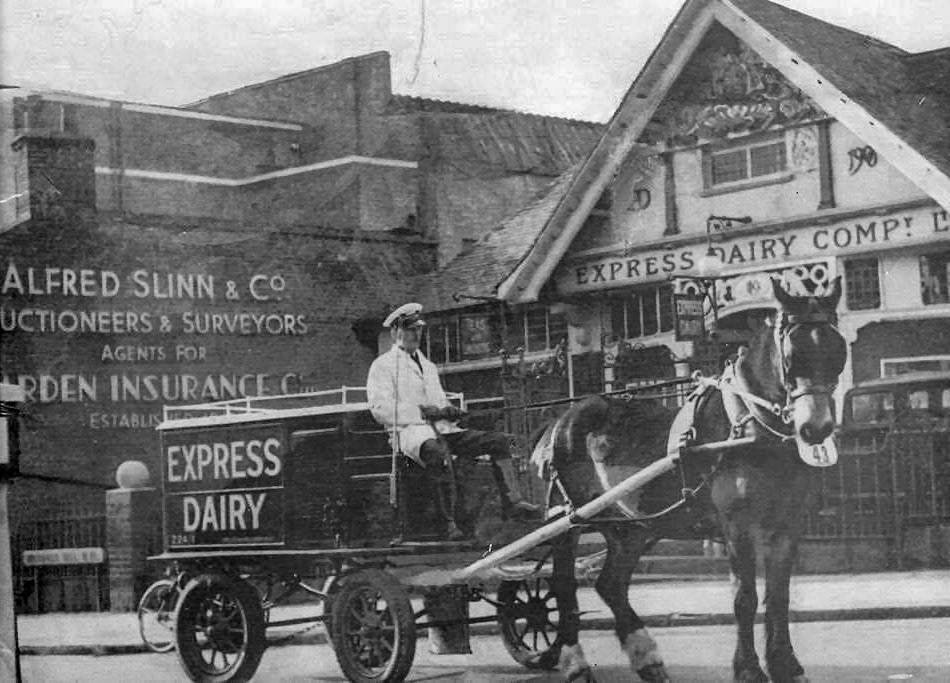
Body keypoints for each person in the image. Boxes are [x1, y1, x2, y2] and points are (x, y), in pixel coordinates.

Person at [366, 302, 539, 540]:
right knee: (438, 454)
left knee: (503, 441)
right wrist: (422, 412)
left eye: (419, 329)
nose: (416, 334)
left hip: (443, 428)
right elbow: (379, 409)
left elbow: (437, 401)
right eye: (409, 329)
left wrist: (448, 410)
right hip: (409, 433)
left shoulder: (428, 366)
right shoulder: (382, 366)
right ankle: (448, 523)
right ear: (396, 332)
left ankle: (513, 502)